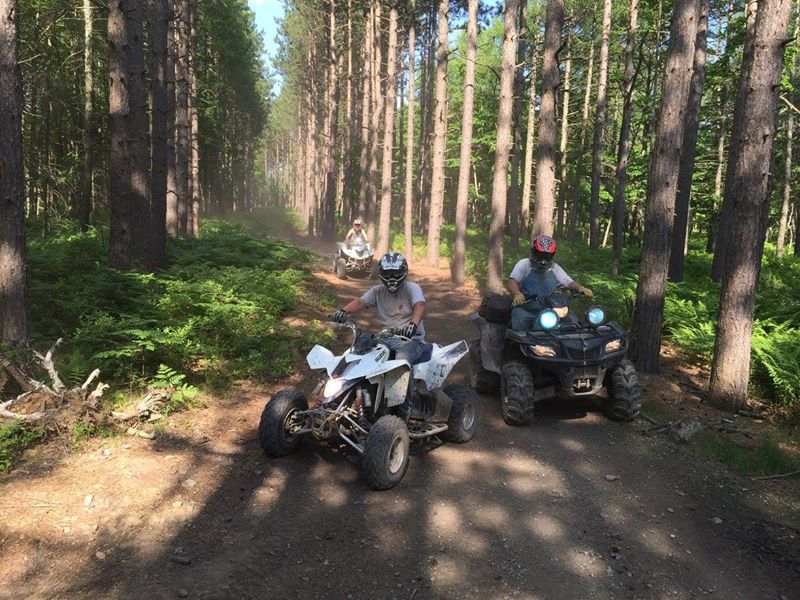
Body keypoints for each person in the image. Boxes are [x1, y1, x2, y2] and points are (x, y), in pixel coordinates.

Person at [331, 252, 426, 365]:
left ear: (403, 272)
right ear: (381, 273)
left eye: (396, 273)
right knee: (364, 354)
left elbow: (419, 305)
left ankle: (405, 377)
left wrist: (413, 325)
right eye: (387, 273)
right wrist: (343, 311)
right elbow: (360, 302)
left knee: (400, 361)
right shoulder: (377, 291)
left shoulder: (412, 288)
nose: (391, 278)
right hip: (385, 338)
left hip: (411, 340)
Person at [507, 234, 593, 331]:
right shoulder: (524, 264)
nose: (543, 259)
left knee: (574, 322)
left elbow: (568, 281)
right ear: (533, 251)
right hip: (526, 308)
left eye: (547, 256)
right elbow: (512, 280)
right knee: (519, 325)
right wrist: (516, 293)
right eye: (541, 255)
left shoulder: (554, 268)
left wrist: (580, 288)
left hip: (550, 309)